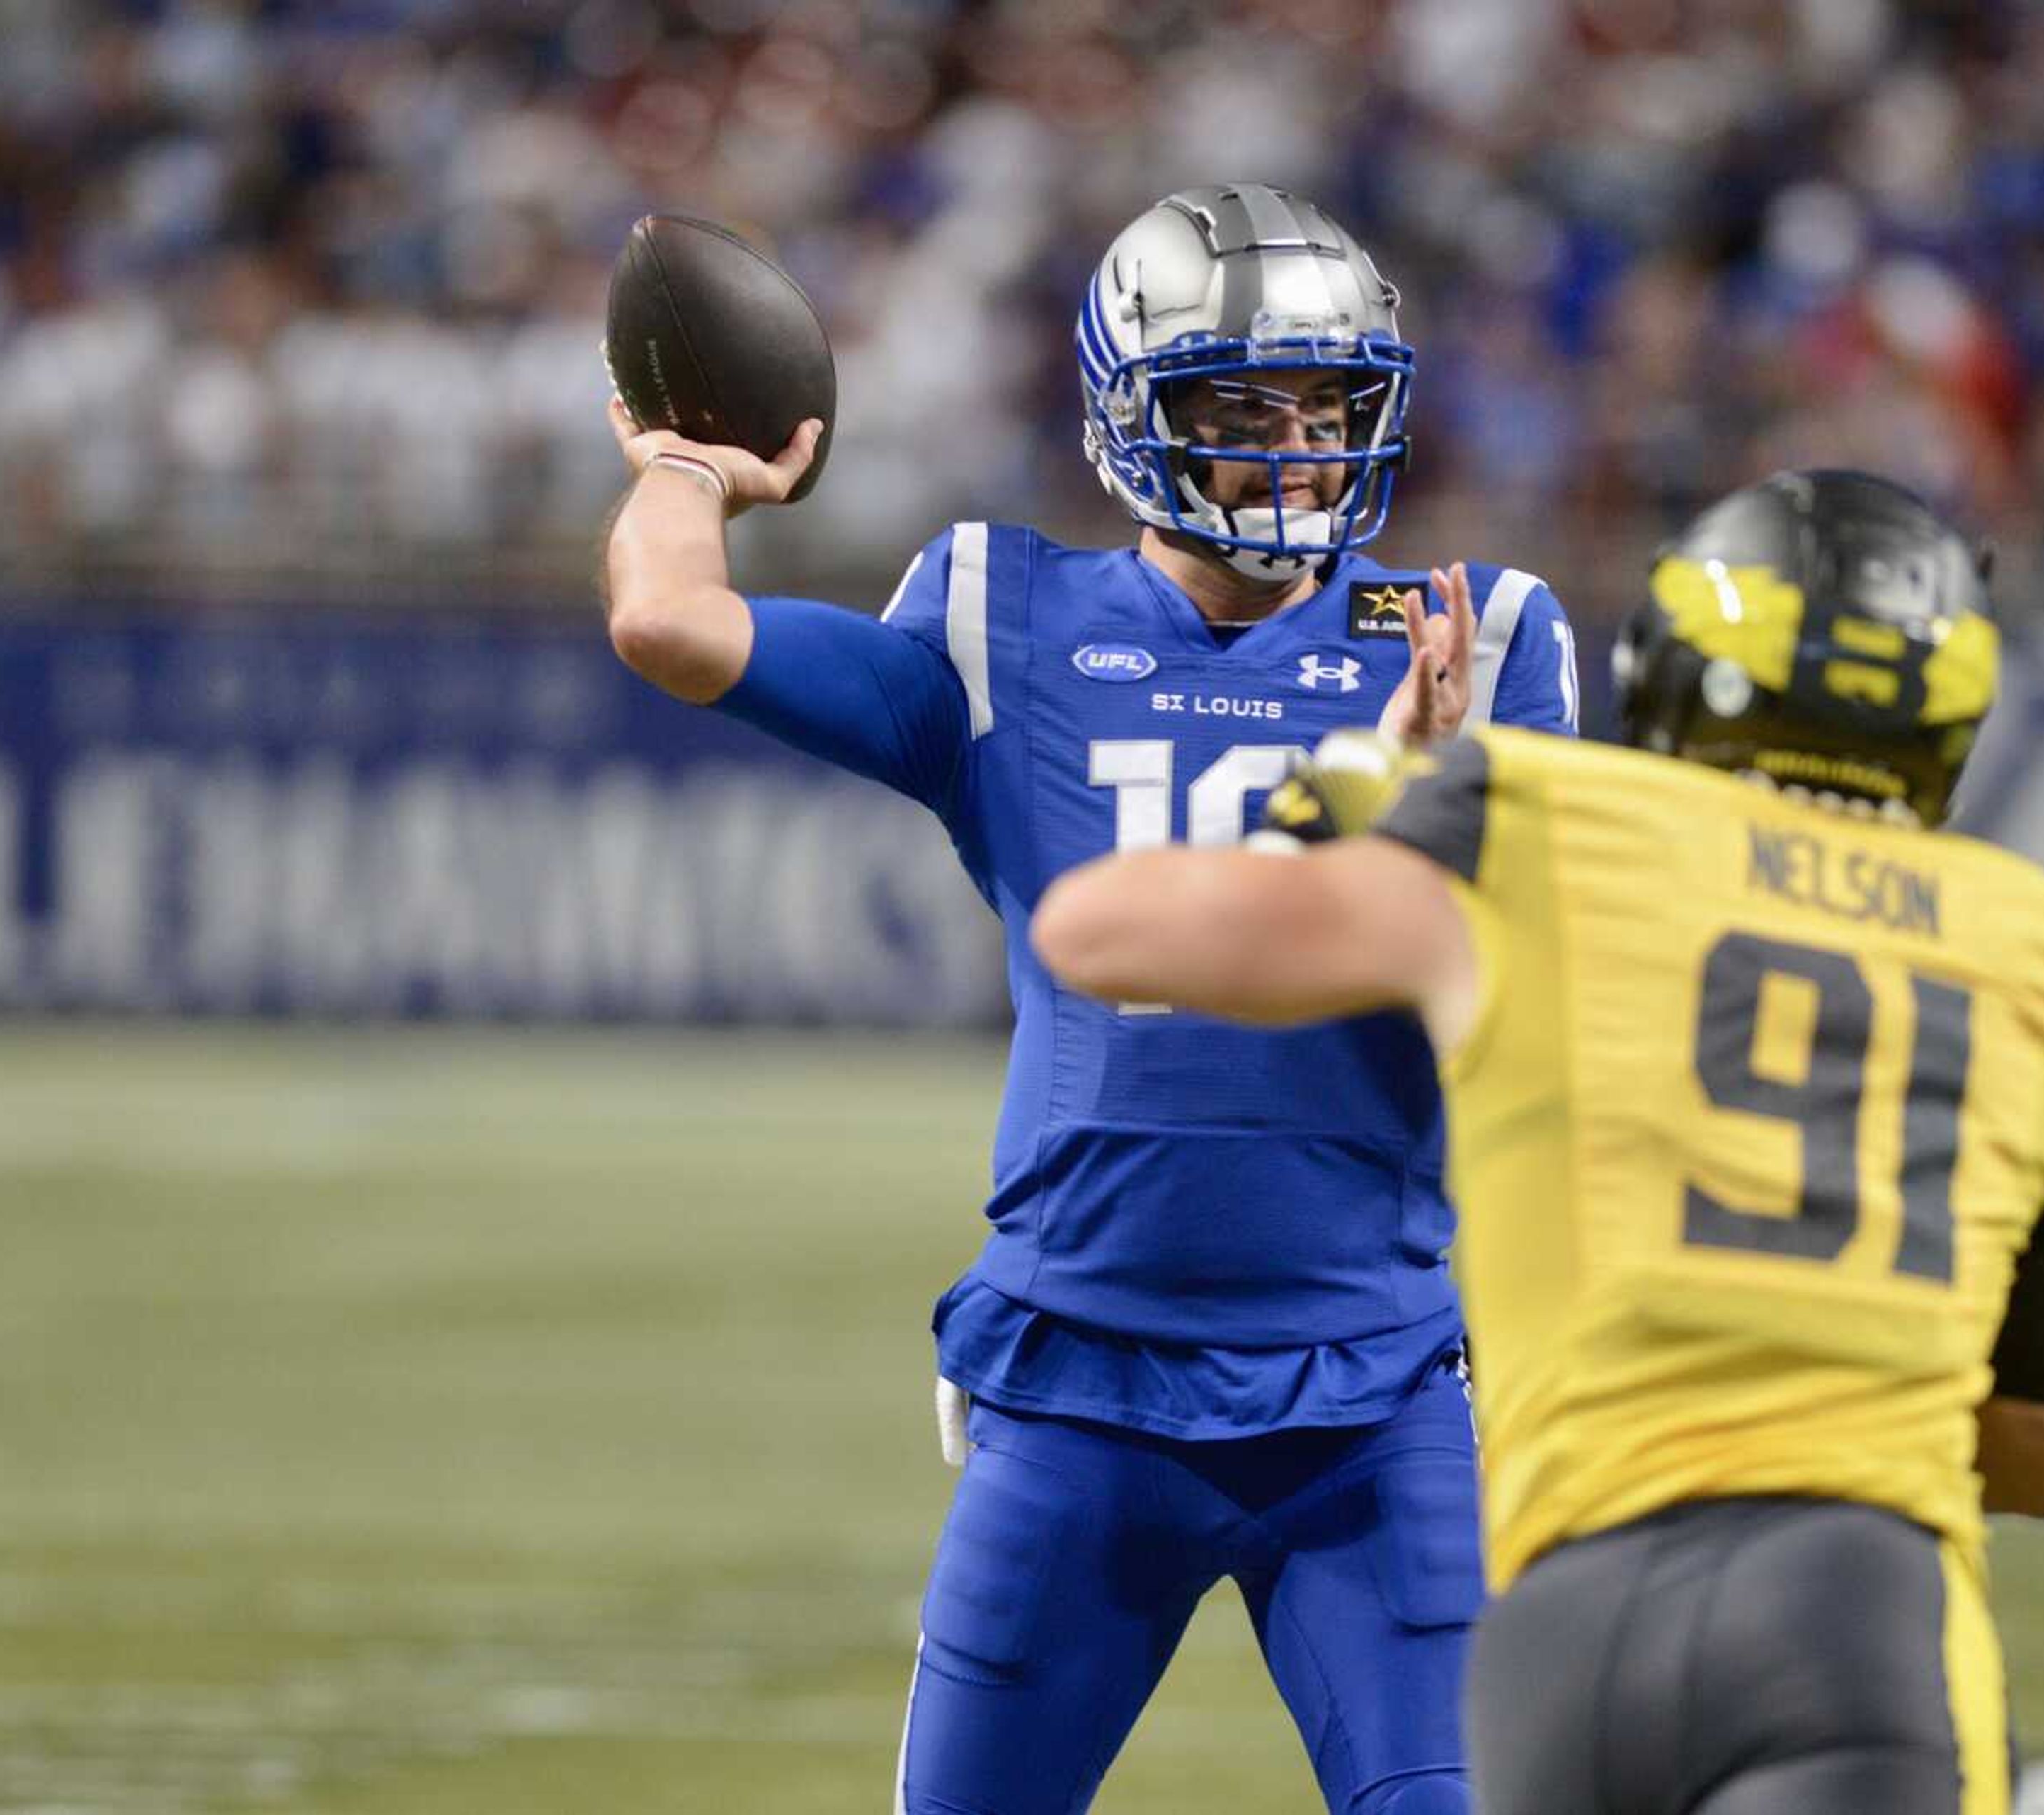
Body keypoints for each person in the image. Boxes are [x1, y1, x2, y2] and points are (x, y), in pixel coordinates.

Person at [598, 182, 1577, 1815]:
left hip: (1374, 1396)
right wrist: (693, 473)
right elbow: (670, 622)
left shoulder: (1477, 638)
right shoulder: (1007, 617)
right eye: (1242, 408)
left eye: (1331, 407)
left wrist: (1431, 805)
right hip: (1077, 1390)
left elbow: (1537, 971)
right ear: (1133, 416)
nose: (1300, 449)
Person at [1034, 469, 2044, 1814]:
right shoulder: (2043, 951)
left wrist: (1369, 778)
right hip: (1859, 1606)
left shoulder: (1549, 827)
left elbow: (1096, 928)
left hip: (1566, 1624)